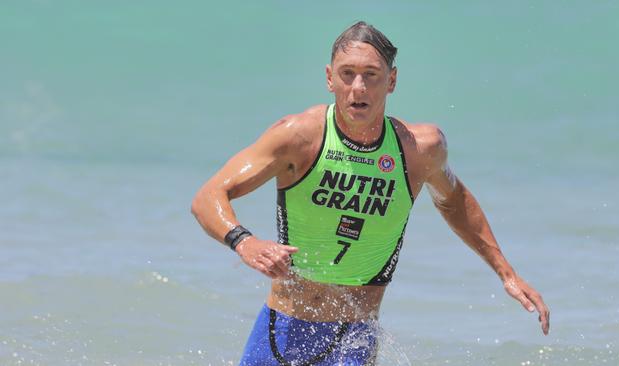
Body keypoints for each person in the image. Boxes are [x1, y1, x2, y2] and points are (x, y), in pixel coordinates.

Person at [191, 21, 550, 365]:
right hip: (282, 334)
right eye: (347, 74)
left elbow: (453, 199)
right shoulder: (298, 137)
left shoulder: (418, 149)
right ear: (330, 78)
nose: (358, 88)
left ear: (391, 81)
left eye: (371, 76)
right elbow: (208, 197)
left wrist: (507, 273)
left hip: (355, 340)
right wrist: (245, 242)